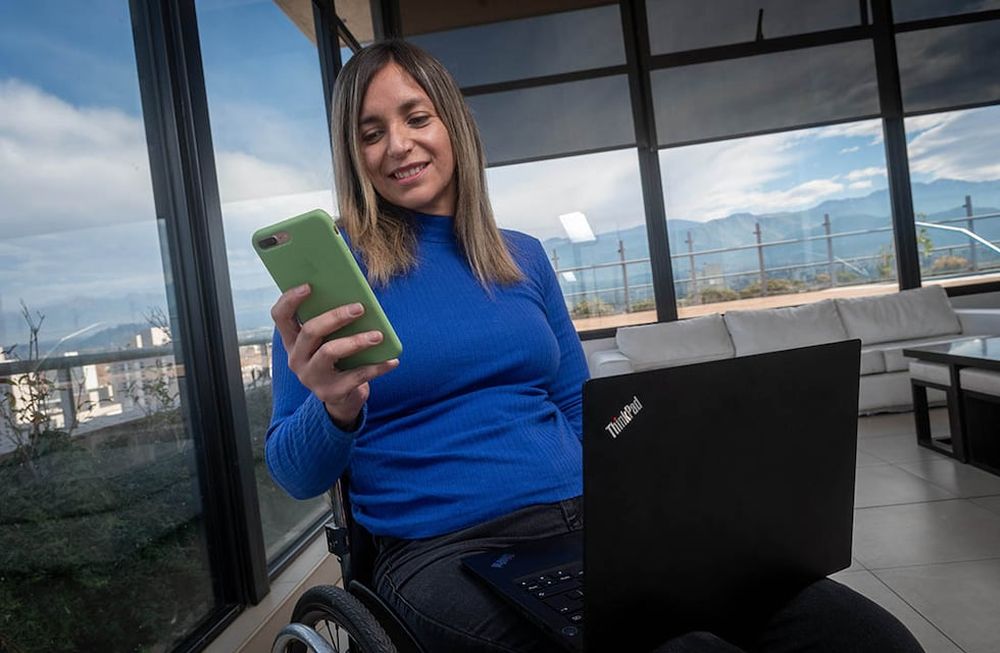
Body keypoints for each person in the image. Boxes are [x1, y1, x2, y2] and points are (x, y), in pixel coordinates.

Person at [265, 39, 924, 653]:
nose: (398, 146)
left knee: (861, 633)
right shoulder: (332, 280)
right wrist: (335, 409)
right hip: (442, 553)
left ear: (453, 126)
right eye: (371, 132)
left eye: (416, 118)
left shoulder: (521, 256)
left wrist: (659, 488)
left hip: (591, 524)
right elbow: (294, 472)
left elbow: (581, 408)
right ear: (353, 154)